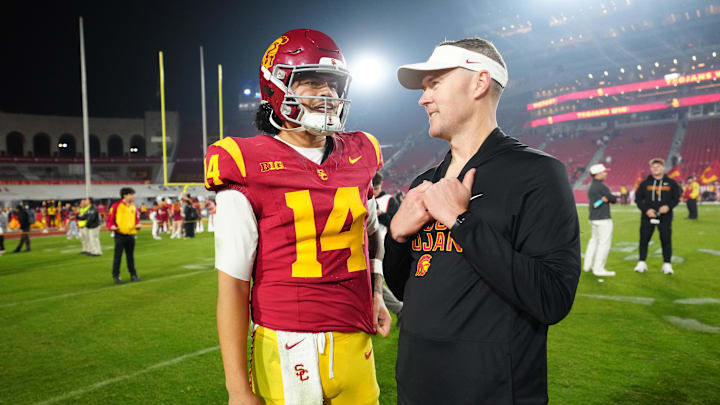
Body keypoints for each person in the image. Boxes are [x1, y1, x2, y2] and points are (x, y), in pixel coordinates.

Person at [385, 37, 580, 404]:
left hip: (492, 391)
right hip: (416, 386)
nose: (422, 98)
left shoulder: (537, 174)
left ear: (479, 82)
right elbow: (406, 291)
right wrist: (395, 237)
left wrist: (461, 222)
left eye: (435, 83)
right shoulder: (421, 185)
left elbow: (552, 298)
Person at [206, 29, 391, 405]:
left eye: (333, 85)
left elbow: (370, 231)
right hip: (287, 342)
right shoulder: (244, 161)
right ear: (276, 88)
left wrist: (376, 289)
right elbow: (234, 285)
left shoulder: (362, 150)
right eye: (310, 82)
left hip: (355, 337)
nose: (326, 94)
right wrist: (238, 390)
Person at [633, 158, 681, 275]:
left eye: (658, 166)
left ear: (663, 168)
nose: (656, 169)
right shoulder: (645, 183)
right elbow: (638, 199)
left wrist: (668, 207)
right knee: (644, 240)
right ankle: (641, 262)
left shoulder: (671, 183)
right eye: (653, 167)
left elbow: (676, 198)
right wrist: (646, 210)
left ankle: (667, 264)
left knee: (666, 240)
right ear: (650, 169)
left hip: (665, 217)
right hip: (647, 216)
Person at [372, 172, 404, 321]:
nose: (374, 191)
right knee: (373, 282)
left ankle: (399, 310)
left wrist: (380, 214)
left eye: (376, 188)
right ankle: (399, 310)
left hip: (383, 245)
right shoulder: (362, 197)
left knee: (375, 281)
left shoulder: (389, 200)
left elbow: (396, 223)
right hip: (366, 245)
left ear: (381, 185)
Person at [583, 163, 617, 277]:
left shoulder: (591, 186)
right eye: (603, 172)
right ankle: (598, 269)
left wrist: (607, 199)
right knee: (603, 244)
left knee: (593, 242)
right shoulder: (602, 186)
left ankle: (587, 266)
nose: (605, 173)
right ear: (597, 174)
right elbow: (613, 199)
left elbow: (608, 199)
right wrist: (607, 198)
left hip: (594, 218)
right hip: (603, 219)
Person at [107, 187, 141, 284]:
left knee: (130, 256)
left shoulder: (133, 206)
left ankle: (133, 275)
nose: (133, 196)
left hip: (131, 235)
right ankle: (116, 276)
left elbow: (136, 218)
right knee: (118, 256)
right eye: (131, 194)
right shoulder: (116, 206)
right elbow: (110, 220)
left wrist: (137, 225)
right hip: (120, 235)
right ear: (125, 195)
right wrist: (111, 226)